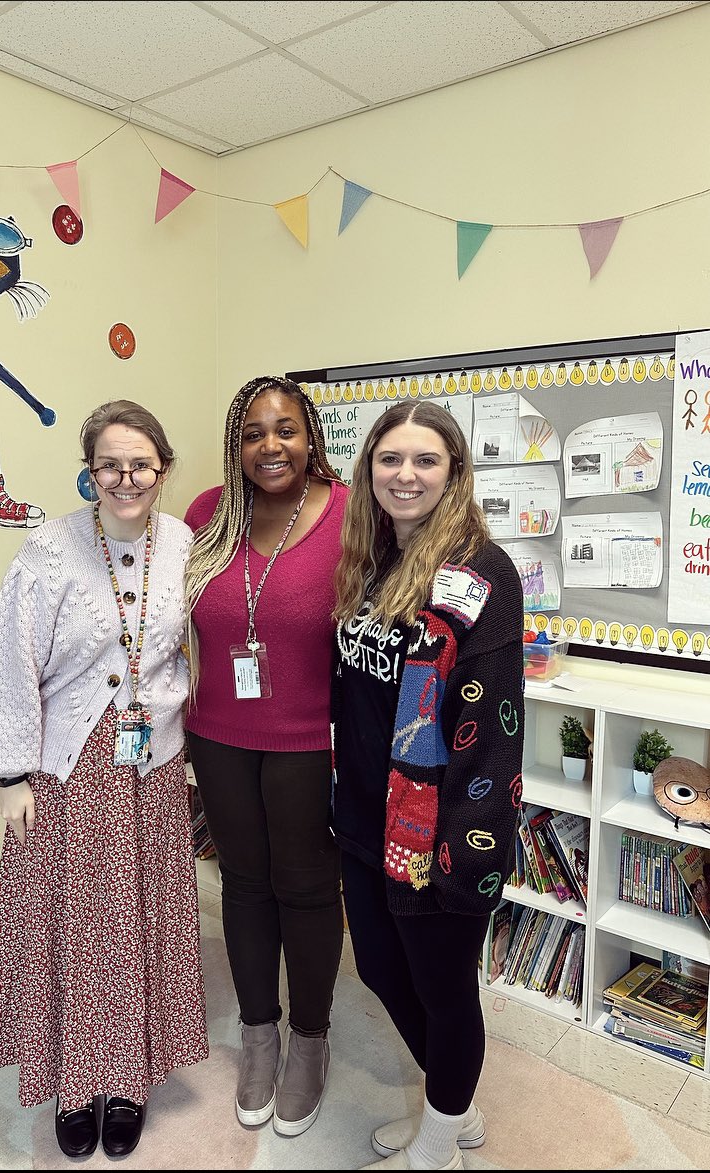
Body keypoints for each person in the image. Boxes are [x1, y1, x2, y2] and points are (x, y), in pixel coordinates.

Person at [0, 400, 208, 1160]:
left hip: (153, 762)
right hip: (66, 766)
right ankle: (76, 1082)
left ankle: (129, 1079)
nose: (125, 478)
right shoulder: (49, 549)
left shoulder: (183, 543)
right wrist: (10, 776)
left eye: (140, 463)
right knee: (72, 926)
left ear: (162, 468)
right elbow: (11, 658)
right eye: (110, 464)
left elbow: (198, 641)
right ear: (90, 470)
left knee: (142, 920)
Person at [331, 401, 524, 1171]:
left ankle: (438, 1145)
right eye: (390, 458)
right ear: (369, 468)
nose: (405, 474)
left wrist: (463, 843)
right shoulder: (375, 559)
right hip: (363, 815)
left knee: (444, 991)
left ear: (454, 472)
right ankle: (457, 1107)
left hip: (439, 829)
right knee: (379, 967)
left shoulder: (481, 572)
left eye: (425, 460)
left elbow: (491, 727)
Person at [183, 374, 347, 1137]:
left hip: (313, 740)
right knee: (244, 885)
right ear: (235, 443)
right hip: (215, 733)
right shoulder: (206, 515)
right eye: (252, 432)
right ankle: (259, 1032)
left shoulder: (353, 516)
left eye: (284, 429)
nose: (269, 445)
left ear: (309, 435)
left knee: (307, 887)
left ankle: (310, 1039)